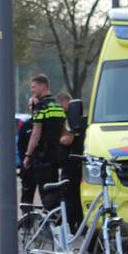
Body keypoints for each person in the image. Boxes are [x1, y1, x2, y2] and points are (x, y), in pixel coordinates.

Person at [21, 74, 66, 211]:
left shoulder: (41, 107)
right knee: (55, 192)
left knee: (46, 195)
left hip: (42, 157)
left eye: (34, 87)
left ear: (43, 86)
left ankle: (49, 225)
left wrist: (28, 155)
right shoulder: (58, 106)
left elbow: (36, 133)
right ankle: (58, 224)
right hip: (55, 157)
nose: (32, 91)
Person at [56, 92, 84, 231]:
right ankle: (78, 223)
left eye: (60, 105)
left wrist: (56, 138)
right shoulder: (77, 118)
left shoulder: (70, 119)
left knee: (70, 194)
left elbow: (68, 139)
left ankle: (72, 225)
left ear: (65, 103)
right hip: (76, 161)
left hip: (71, 162)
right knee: (75, 194)